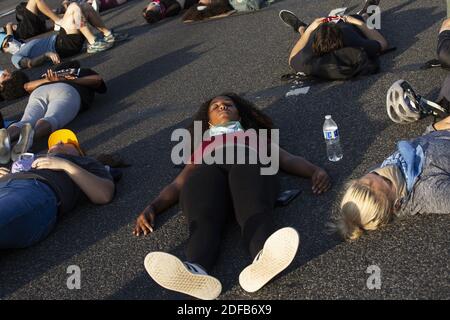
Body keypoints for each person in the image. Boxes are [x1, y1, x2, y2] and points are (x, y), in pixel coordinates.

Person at [133, 93, 331, 300]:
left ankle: (263, 257)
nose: (222, 107)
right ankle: (195, 270)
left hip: (246, 168)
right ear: (209, 122)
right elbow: (178, 182)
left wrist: (314, 170)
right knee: (201, 207)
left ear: (240, 115)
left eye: (228, 104)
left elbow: (286, 159)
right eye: (215, 106)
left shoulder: (254, 137)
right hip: (210, 174)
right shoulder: (202, 146)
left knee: (251, 198)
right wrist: (153, 207)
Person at [332, 77, 450, 241]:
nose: (371, 177)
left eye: (361, 183)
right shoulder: (428, 191)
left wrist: (434, 128)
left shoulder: (388, 174)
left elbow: (420, 145)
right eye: (373, 190)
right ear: (392, 206)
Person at [0, 129, 115, 249]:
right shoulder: (36, 158)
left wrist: (64, 165)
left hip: (35, 189)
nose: (59, 141)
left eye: (67, 142)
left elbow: (104, 194)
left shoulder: (86, 163)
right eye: (55, 142)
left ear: (80, 152)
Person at [0, 64, 106, 162]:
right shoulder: (80, 71)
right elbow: (97, 80)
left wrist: (48, 80)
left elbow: (27, 86)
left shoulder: (47, 74)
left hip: (40, 91)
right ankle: (30, 137)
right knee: (52, 117)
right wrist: (69, 80)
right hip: (68, 89)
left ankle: (6, 139)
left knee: (26, 120)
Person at [0, 0, 125, 69]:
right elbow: (29, 64)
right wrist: (46, 55)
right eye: (6, 45)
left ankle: (108, 35)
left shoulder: (25, 45)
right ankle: (93, 43)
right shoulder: (15, 57)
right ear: (5, 51)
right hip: (61, 46)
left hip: (61, 39)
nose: (10, 44)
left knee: (84, 6)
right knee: (74, 7)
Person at [278, 0, 388, 78]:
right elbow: (382, 43)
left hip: (320, 34)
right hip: (345, 26)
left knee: (306, 35)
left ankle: (301, 27)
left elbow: (291, 58)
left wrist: (310, 29)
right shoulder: (351, 38)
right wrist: (357, 22)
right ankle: (366, 13)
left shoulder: (308, 56)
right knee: (362, 17)